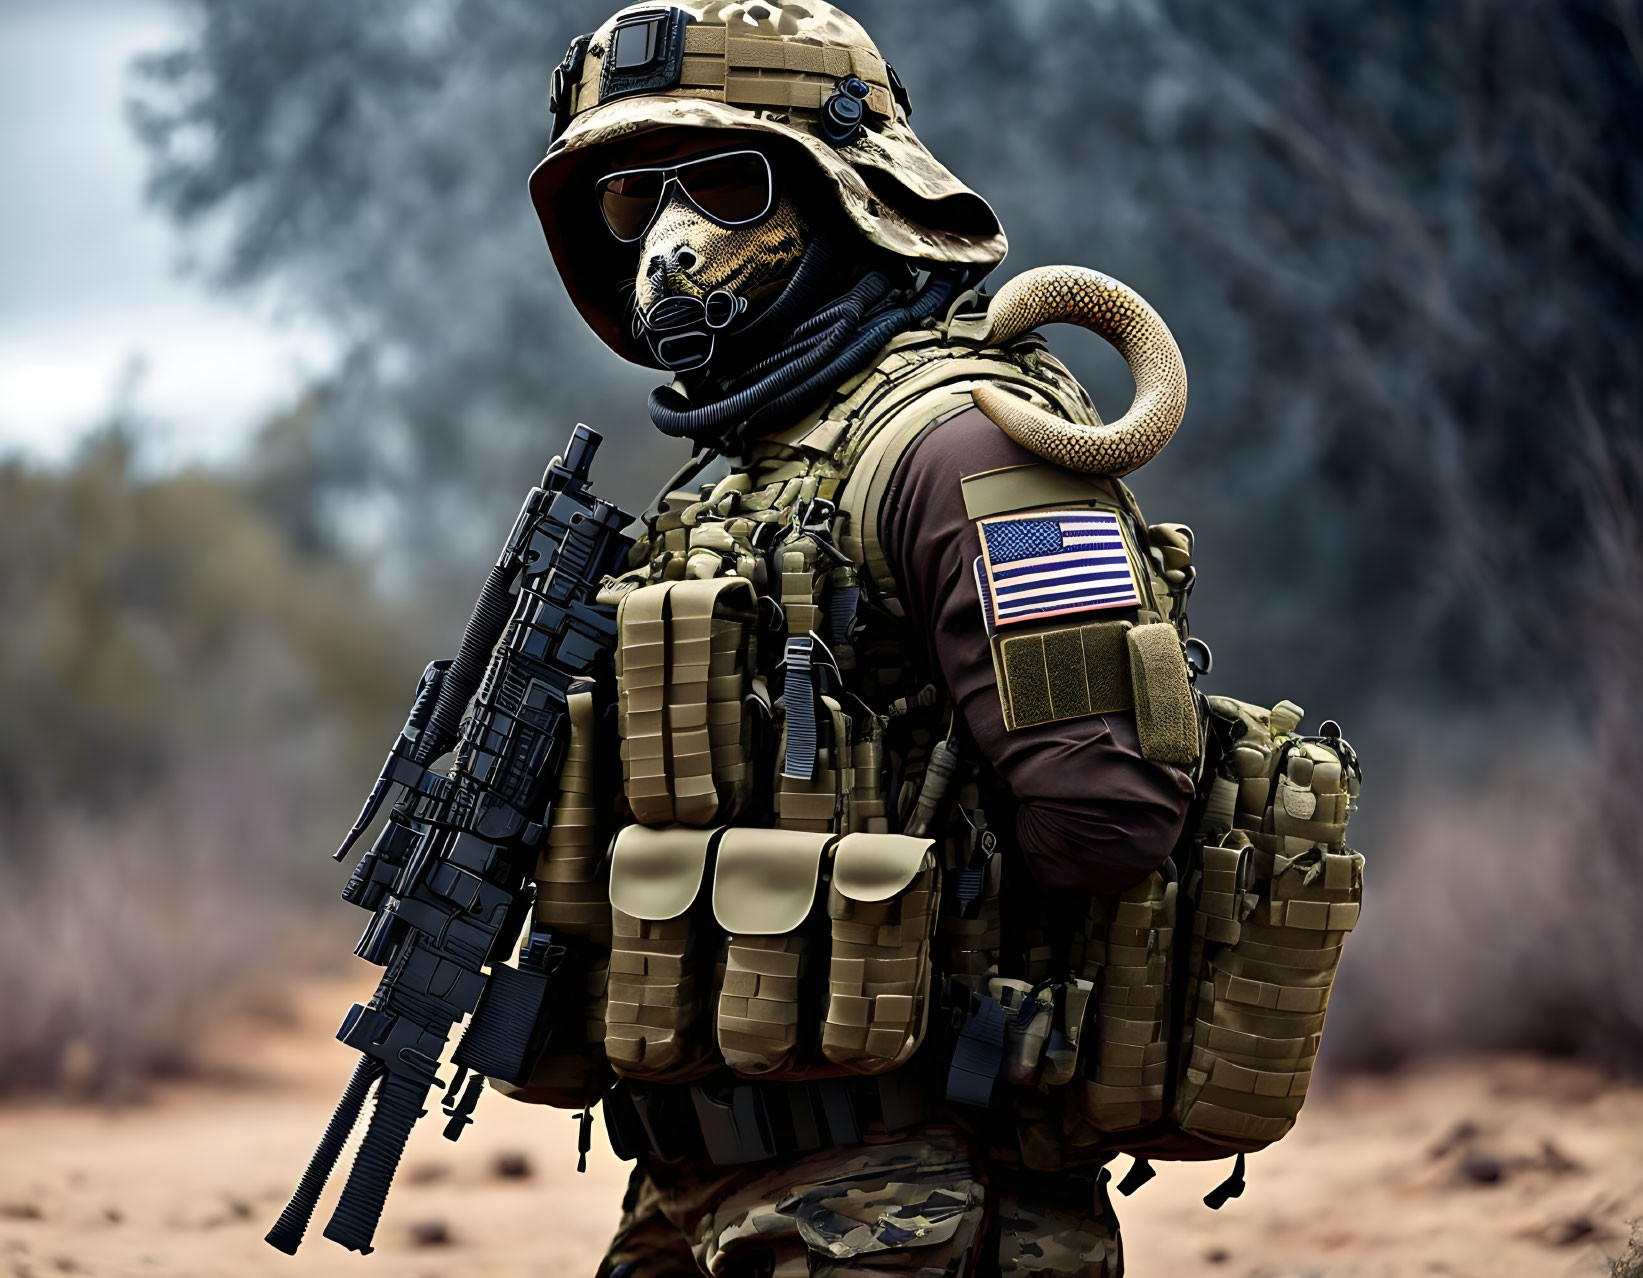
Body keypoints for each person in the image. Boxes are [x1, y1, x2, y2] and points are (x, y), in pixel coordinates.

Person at [505, 4, 1224, 1274]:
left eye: (726, 184)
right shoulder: (737, 469)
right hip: (697, 1176)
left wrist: (879, 940)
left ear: (845, 194)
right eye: (631, 201)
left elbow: (1107, 812)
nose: (670, 240)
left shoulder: (965, 440)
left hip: (912, 1187)